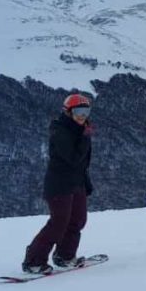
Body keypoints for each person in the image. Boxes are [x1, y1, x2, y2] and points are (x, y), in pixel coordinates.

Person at [22, 93, 95, 274]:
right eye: (78, 112)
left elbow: (83, 162)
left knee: (77, 220)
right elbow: (73, 159)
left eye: (86, 112)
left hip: (76, 183)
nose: (82, 116)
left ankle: (65, 256)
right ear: (68, 112)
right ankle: (33, 261)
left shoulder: (79, 130)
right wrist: (85, 138)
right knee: (59, 222)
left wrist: (85, 183)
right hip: (59, 184)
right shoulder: (60, 131)